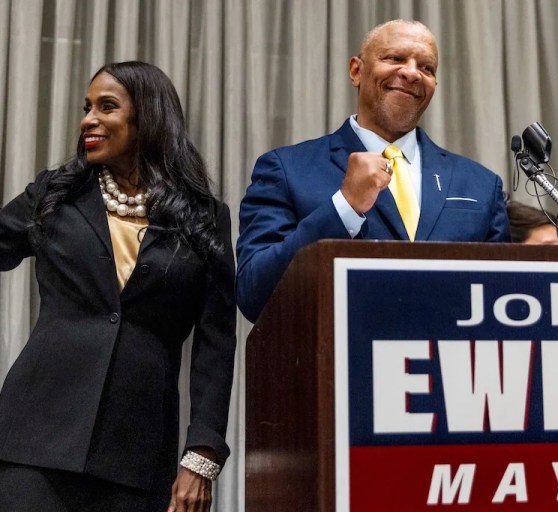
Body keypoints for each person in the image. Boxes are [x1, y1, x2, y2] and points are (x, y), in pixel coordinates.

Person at [0, 62, 236, 512]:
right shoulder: (55, 195)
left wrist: (202, 453)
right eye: (87, 107)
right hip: (34, 439)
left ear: (148, 116)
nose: (88, 119)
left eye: (107, 107)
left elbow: (216, 344)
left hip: (138, 451)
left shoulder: (205, 217)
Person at [236, 19, 510, 322]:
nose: (411, 72)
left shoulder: (481, 185)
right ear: (356, 71)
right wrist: (344, 207)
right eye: (394, 58)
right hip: (335, 364)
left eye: (427, 68)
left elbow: (502, 302)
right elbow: (254, 295)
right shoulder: (287, 169)